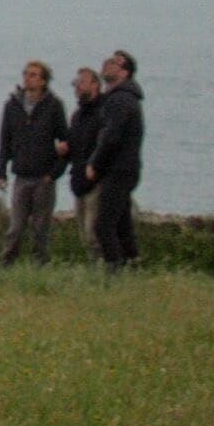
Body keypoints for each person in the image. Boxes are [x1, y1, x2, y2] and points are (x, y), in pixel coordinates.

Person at [0, 58, 70, 265]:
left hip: (44, 177)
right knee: (15, 226)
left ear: (43, 81)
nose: (28, 78)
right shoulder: (12, 106)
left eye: (34, 75)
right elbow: (5, 141)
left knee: (40, 227)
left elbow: (66, 143)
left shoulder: (54, 106)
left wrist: (54, 174)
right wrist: (1, 172)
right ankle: (6, 263)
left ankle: (39, 264)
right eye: (26, 74)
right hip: (21, 175)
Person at [85, 50, 145, 273]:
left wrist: (95, 163)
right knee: (122, 225)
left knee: (103, 226)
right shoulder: (120, 97)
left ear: (125, 72)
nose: (107, 64)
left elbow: (111, 137)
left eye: (114, 62)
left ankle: (114, 271)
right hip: (124, 169)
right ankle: (133, 266)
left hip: (119, 170)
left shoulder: (120, 99)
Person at [64, 66, 106, 259]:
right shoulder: (77, 115)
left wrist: (96, 168)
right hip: (79, 180)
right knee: (84, 237)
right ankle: (95, 276)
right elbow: (73, 148)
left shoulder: (104, 112)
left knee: (94, 234)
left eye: (81, 83)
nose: (77, 87)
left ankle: (106, 274)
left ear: (95, 85)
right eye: (75, 83)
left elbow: (107, 145)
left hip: (97, 181)